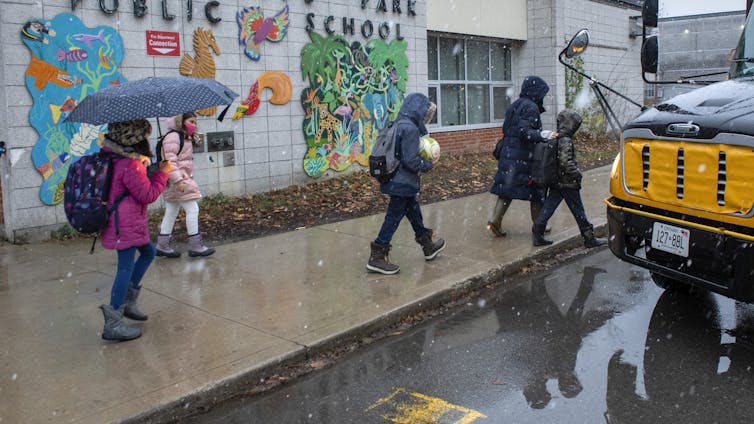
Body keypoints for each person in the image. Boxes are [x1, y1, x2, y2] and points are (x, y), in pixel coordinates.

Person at [99, 119, 171, 341]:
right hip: (125, 224)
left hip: (124, 221)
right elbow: (146, 195)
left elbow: (128, 186)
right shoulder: (129, 165)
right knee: (125, 267)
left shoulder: (114, 159)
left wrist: (148, 168)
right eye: (143, 137)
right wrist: (162, 173)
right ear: (134, 139)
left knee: (149, 252)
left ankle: (128, 302)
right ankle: (114, 320)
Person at [366, 92, 446, 275]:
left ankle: (427, 244)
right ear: (417, 110)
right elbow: (411, 160)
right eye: (425, 112)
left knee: (413, 210)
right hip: (402, 181)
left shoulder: (397, 123)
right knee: (394, 216)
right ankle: (377, 255)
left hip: (396, 179)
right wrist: (428, 165)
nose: (426, 116)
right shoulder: (409, 128)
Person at [488, 75, 558, 237]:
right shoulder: (531, 107)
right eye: (541, 93)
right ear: (535, 92)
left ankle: (495, 220)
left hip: (509, 154)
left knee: (507, 188)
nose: (542, 97)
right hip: (525, 156)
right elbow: (524, 132)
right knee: (536, 190)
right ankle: (539, 225)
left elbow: (507, 130)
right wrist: (544, 134)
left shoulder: (514, 105)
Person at [532, 109, 606, 248]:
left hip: (557, 182)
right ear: (570, 124)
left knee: (549, 207)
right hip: (568, 183)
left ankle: (537, 234)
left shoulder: (556, 137)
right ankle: (589, 238)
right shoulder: (565, 140)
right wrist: (577, 174)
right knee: (579, 211)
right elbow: (566, 162)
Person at [155, 111, 215, 258]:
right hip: (178, 180)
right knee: (192, 209)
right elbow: (169, 162)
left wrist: (192, 135)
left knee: (171, 211)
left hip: (176, 180)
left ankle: (162, 245)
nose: (194, 125)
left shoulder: (182, 137)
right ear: (180, 122)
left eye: (195, 122)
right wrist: (178, 180)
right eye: (191, 122)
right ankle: (195, 245)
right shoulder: (173, 137)